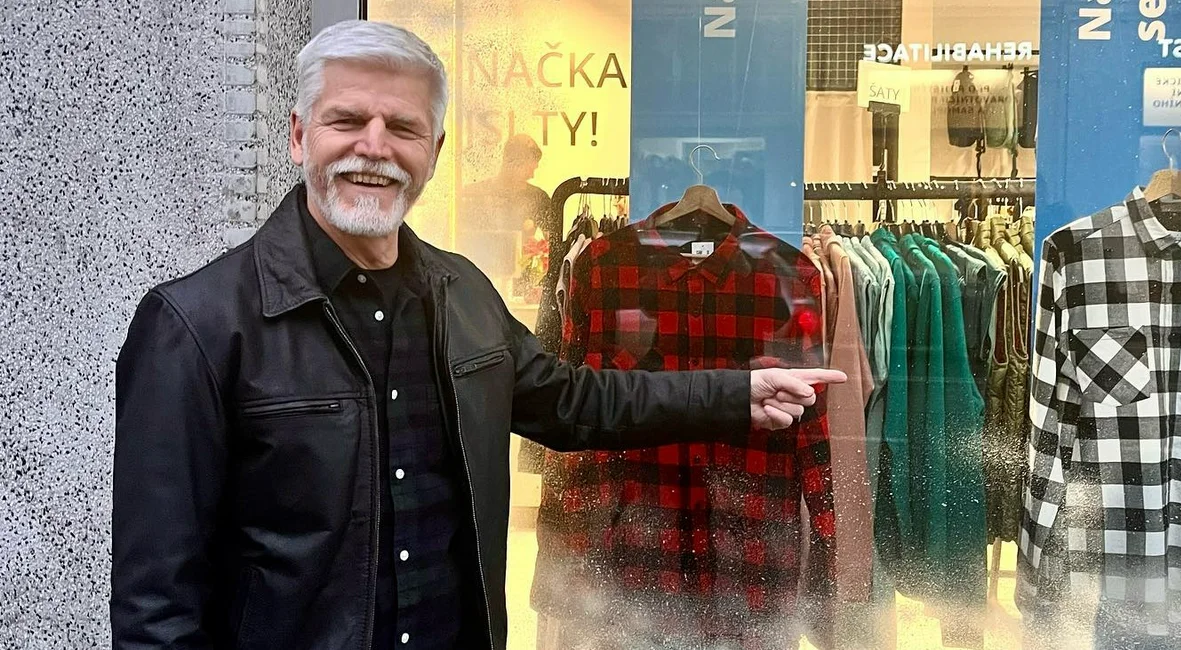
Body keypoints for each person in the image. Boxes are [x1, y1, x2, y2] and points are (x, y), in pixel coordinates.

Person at [110, 19, 845, 650]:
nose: (374, 147)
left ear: (434, 150)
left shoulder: (460, 294)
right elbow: (157, 604)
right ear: (300, 137)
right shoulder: (197, 326)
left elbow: (574, 402)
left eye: (402, 128)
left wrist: (737, 394)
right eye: (347, 120)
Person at [458, 135, 555, 301]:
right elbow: (458, 240)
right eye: (528, 169)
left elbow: (553, 245)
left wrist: (542, 285)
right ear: (514, 162)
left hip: (521, 290)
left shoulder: (538, 198)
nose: (532, 175)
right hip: (477, 282)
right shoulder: (474, 195)